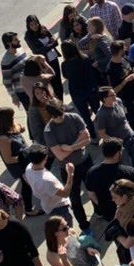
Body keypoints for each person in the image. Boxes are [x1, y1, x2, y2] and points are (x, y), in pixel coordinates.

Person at [43, 99, 93, 231]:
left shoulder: (74, 117)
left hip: (85, 161)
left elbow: (87, 138)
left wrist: (69, 147)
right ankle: (84, 224)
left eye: (60, 114)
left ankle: (99, 210)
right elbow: (59, 156)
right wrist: (78, 144)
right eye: (55, 116)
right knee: (75, 198)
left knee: (94, 189)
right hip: (68, 168)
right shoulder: (49, 131)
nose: (59, 118)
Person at [23, 144, 74, 223]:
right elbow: (65, 193)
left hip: (47, 205)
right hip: (59, 207)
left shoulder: (29, 168)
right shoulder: (47, 180)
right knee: (67, 228)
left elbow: (26, 178)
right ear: (45, 158)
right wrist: (70, 174)